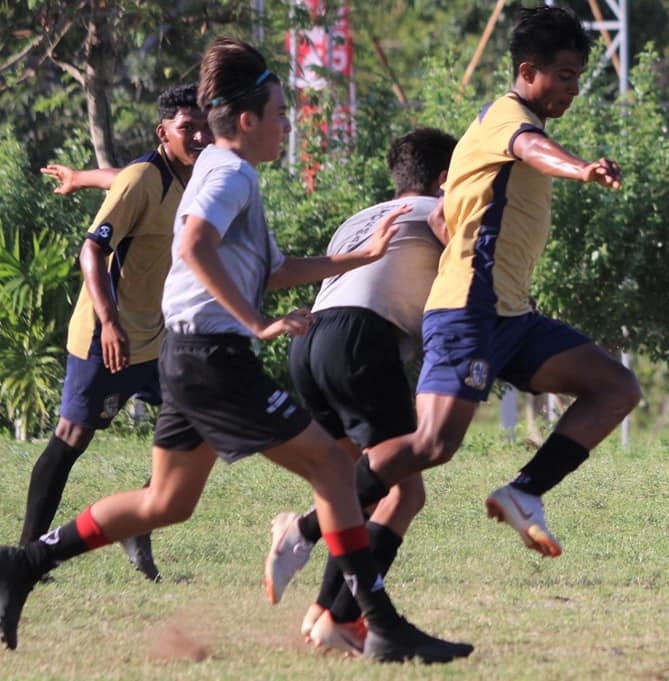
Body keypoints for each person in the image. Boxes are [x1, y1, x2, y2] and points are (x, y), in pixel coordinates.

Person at [0, 36, 472, 664]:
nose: (286, 125)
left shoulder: (226, 173)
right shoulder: (228, 172)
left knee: (165, 503)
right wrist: (255, 324)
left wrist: (357, 257)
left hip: (189, 357)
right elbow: (193, 245)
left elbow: (269, 269)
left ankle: (22, 561)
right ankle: (377, 622)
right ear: (246, 121)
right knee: (335, 470)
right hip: (213, 357)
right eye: (280, 114)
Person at [348, 5, 641, 559]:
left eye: (578, 77)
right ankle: (308, 525)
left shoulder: (484, 134)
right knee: (433, 444)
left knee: (616, 387)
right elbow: (531, 148)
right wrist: (581, 168)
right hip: (469, 311)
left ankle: (523, 492)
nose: (572, 89)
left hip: (510, 315)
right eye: (564, 76)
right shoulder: (510, 121)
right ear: (527, 72)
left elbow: (442, 218)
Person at [262, 127, 458, 656]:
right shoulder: (439, 212)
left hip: (310, 343)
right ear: (446, 178)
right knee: (403, 491)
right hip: (359, 341)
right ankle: (303, 538)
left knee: (348, 478)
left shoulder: (359, 219)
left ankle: (331, 615)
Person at [19, 85, 211, 582]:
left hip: (156, 337)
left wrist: (82, 177)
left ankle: (139, 520)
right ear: (162, 132)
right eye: (187, 127)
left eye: (203, 126)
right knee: (72, 437)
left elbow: (118, 180)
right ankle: (26, 556)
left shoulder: (195, 176)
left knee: (194, 418)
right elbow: (91, 250)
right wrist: (109, 322)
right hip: (106, 334)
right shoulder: (144, 177)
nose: (198, 135)